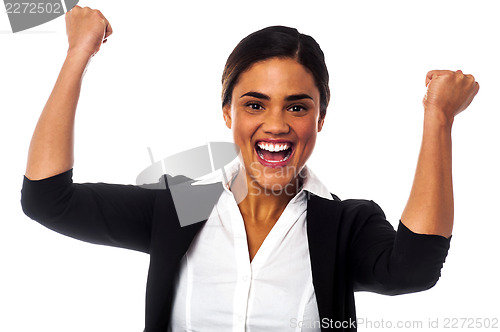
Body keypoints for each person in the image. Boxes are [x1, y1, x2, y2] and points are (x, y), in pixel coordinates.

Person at [20, 5, 479, 332]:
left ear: (320, 119)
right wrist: (78, 53)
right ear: (228, 114)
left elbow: (415, 269)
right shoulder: (178, 208)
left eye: (297, 108)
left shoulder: (344, 226)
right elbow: (47, 199)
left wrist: (438, 119)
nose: (276, 125)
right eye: (255, 104)